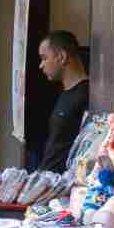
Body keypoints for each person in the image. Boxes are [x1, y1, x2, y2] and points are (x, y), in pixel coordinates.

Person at [37, 30, 90, 173]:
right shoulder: (64, 94)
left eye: (44, 58)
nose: (41, 65)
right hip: (49, 179)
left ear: (62, 57)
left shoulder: (87, 95)